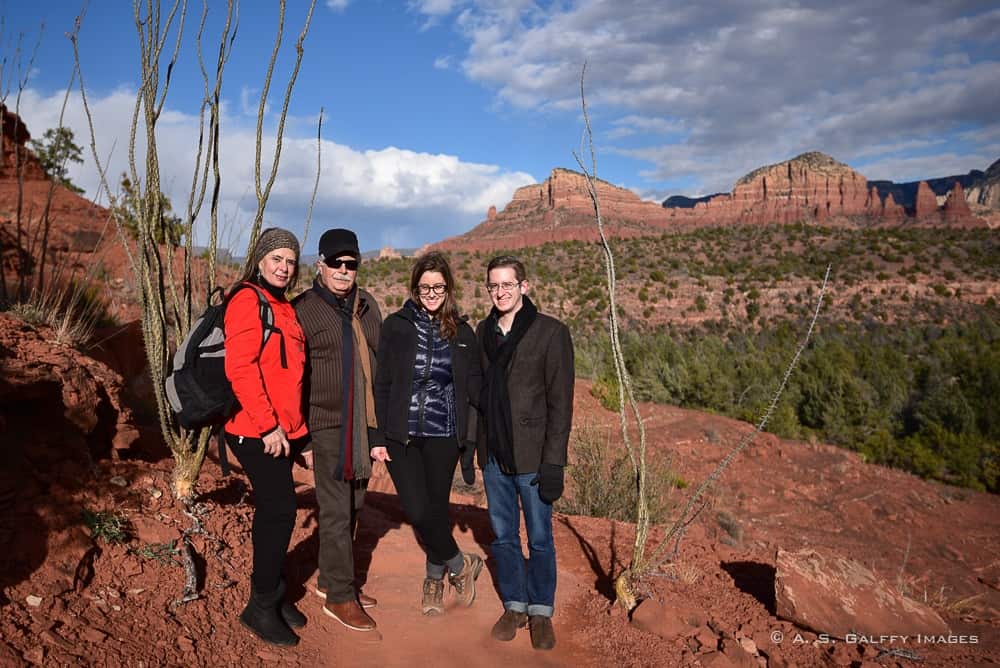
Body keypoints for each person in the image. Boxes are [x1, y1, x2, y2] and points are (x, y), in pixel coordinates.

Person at [371, 252, 484, 616]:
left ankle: (433, 580)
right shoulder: (397, 326)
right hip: (401, 435)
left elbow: (474, 387)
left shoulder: (463, 332)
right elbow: (382, 384)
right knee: (417, 510)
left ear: (448, 288)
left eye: (438, 287)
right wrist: (378, 436)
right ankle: (459, 563)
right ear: (415, 289)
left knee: (435, 508)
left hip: (443, 435)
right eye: (425, 288)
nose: (432, 293)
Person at [472, 255, 574, 651]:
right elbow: (481, 396)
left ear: (524, 287)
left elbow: (560, 405)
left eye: (507, 285)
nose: (500, 292)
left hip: (533, 458)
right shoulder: (484, 332)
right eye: (494, 286)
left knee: (540, 537)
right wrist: (476, 450)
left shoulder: (550, 333)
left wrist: (554, 462)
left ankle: (541, 611)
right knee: (502, 536)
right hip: (496, 455)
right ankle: (514, 605)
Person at [293, 228, 381, 633]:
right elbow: (294, 377)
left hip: (361, 426)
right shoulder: (303, 309)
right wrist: (303, 438)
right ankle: (343, 598)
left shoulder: (367, 308)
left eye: (351, 264)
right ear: (321, 265)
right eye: (337, 263)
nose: (344, 271)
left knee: (355, 505)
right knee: (334, 510)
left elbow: (379, 366)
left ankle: (330, 581)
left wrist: (379, 432)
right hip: (324, 425)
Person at [224, 227, 308, 647]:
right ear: (259, 260)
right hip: (254, 430)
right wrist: (269, 425)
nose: (284, 267)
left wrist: (295, 432)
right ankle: (259, 606)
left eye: (290, 261)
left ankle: (274, 596)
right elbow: (241, 368)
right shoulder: (247, 301)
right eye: (277, 258)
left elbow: (287, 375)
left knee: (279, 512)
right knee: (279, 512)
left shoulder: (282, 306)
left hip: (280, 430)